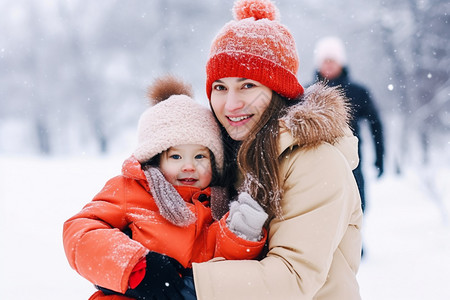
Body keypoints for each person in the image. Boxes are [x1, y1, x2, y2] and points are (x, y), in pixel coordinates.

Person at [168, 0, 362, 299]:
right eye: (220, 87)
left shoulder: (316, 161)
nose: (231, 104)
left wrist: (180, 286)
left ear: (278, 91)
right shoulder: (219, 156)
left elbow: (291, 276)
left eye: (247, 86)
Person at [62, 75, 268, 300]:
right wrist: (135, 266)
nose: (189, 166)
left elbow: (221, 268)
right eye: (176, 156)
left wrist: (240, 236)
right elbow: (80, 232)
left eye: (200, 156)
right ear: (156, 159)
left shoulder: (218, 205)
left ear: (215, 162)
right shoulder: (133, 189)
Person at [313, 36, 385, 213]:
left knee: (356, 208)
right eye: (325, 60)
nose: (329, 65)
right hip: (317, 163)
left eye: (333, 60)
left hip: (353, 162)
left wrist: (380, 156)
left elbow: (376, 125)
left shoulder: (358, 92)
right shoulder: (309, 92)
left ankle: (356, 240)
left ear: (341, 63)